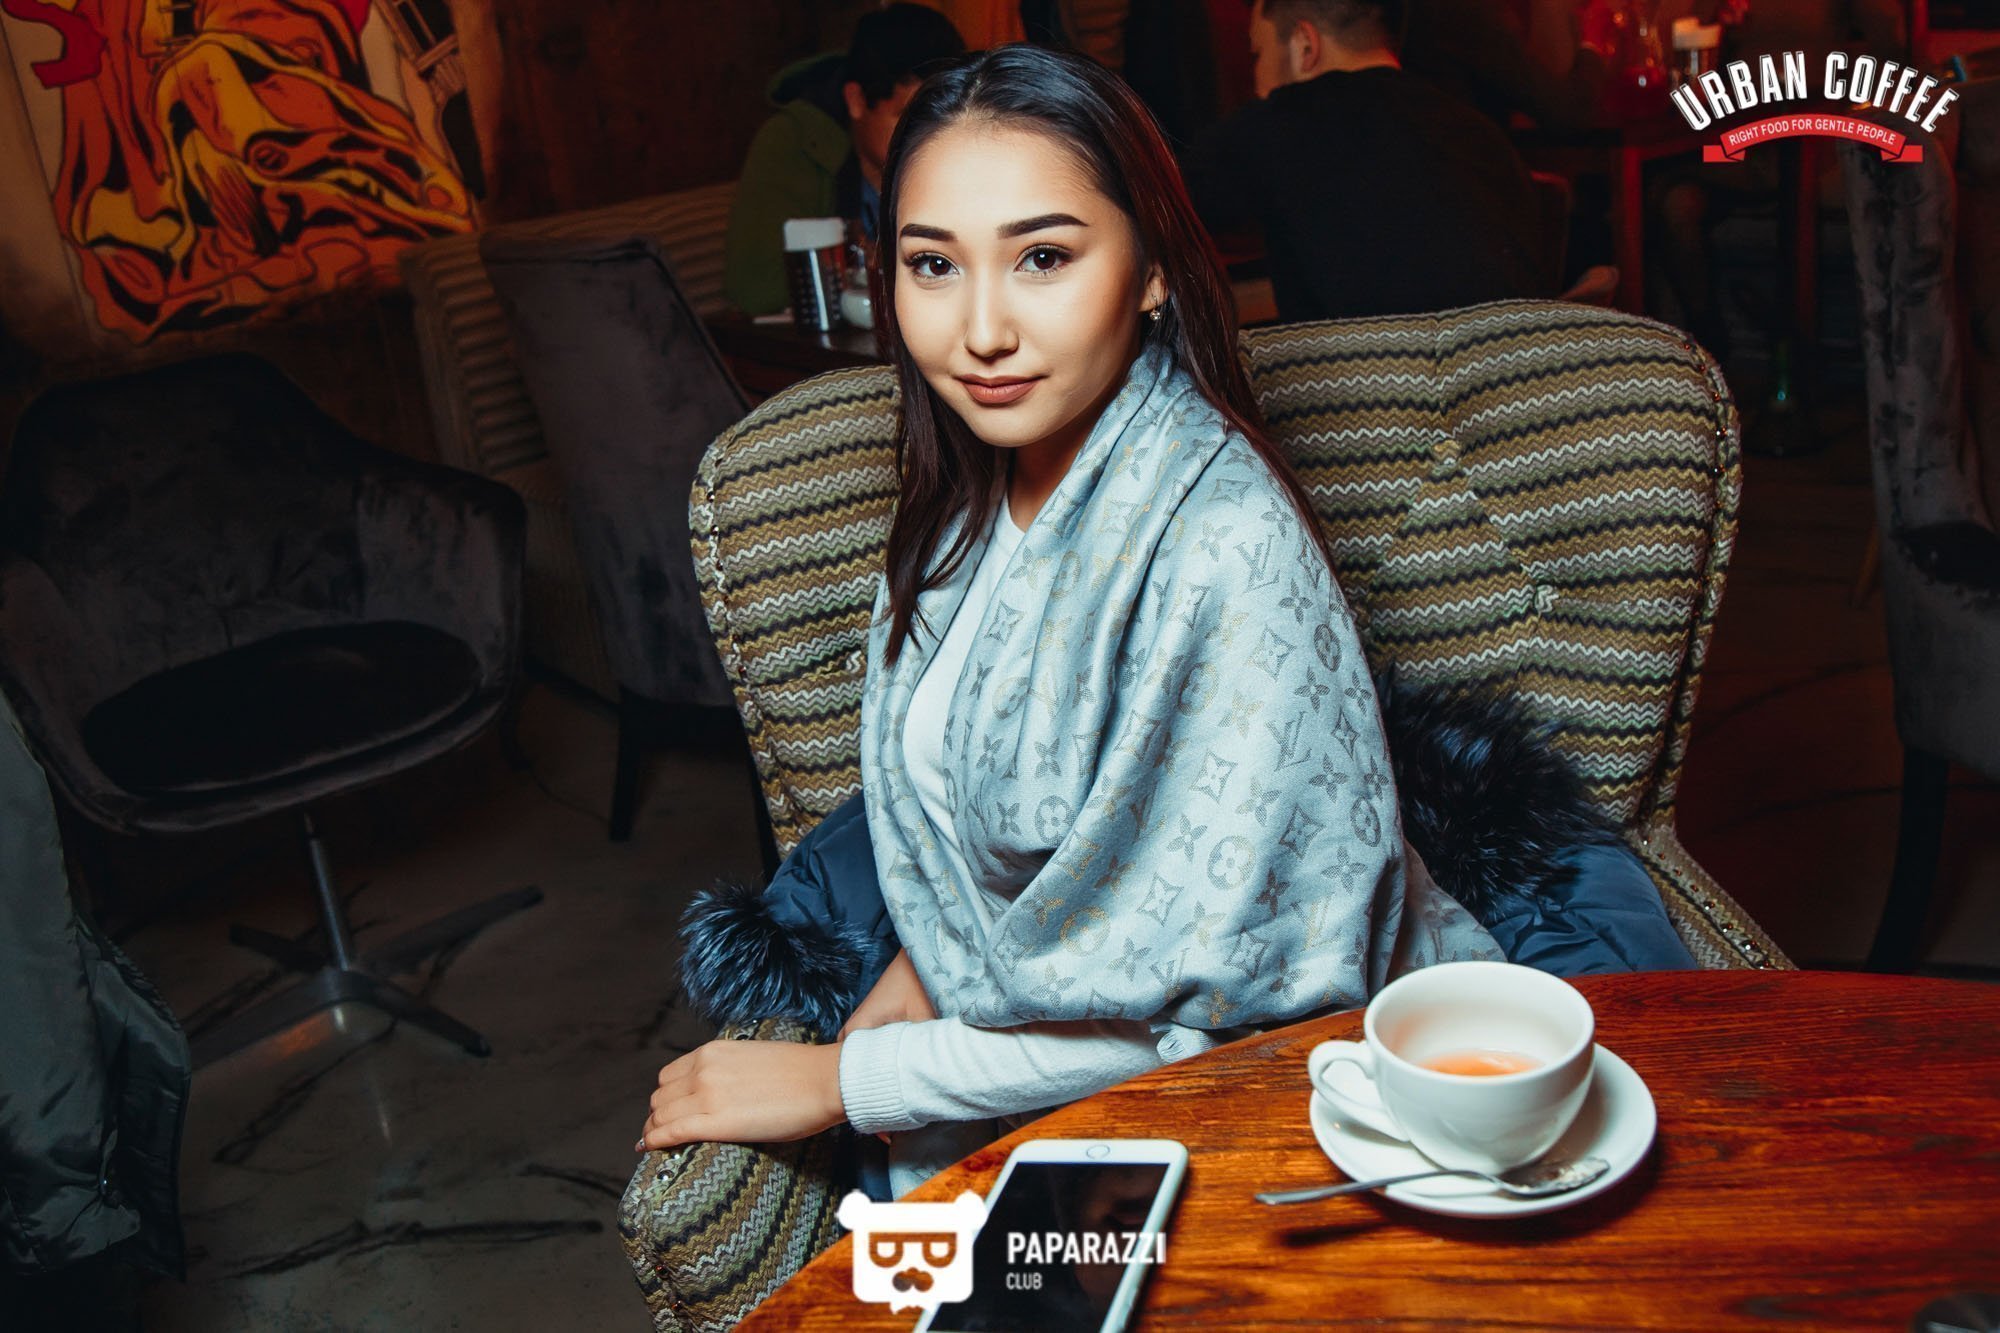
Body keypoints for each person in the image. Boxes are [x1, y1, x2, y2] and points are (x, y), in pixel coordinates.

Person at [643, 43, 1693, 1201]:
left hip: (1269, 1109)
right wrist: (923, 963)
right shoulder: (963, 493)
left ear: (1149, 269)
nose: (980, 329)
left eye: (1043, 257)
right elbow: (975, 834)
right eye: (931, 263)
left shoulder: (1226, 544)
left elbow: (1240, 1019)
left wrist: (852, 1081)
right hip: (1009, 1075)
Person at [1182, 0, 1547, 321]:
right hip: (1513, 370)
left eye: (1258, 54)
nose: (1256, 81)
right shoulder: (1481, 132)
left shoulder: (1286, 119)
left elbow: (1162, 202)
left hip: (1366, 375)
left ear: (1305, 45)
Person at [722, 4, 966, 315]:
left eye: (942, 118)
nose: (929, 137)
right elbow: (755, 288)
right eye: (907, 119)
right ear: (856, 100)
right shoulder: (796, 142)